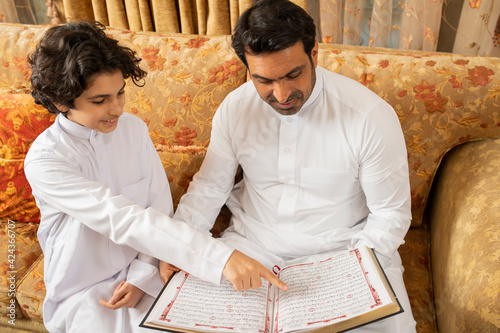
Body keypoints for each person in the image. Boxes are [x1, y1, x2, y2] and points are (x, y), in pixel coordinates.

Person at [168, 0, 417, 331]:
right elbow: (210, 187)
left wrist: (348, 277)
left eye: (292, 74)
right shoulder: (235, 108)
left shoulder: (369, 116)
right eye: (264, 80)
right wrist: (177, 247)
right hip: (249, 249)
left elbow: (390, 215)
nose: (281, 94)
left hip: (343, 252)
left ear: (314, 55)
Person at [25, 21, 286, 333]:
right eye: (100, 101)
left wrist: (141, 276)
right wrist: (221, 258)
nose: (117, 108)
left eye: (120, 93)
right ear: (60, 101)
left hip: (146, 275)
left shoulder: (132, 129)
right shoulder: (46, 160)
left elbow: (157, 207)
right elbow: (125, 219)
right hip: (83, 291)